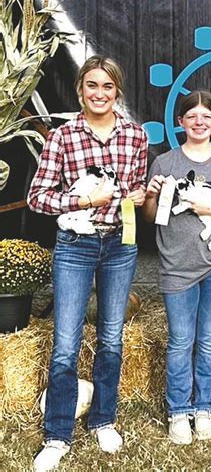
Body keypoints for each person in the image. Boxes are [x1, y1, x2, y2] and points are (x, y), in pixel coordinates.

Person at [27, 56, 148, 472]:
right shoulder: (62, 137)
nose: (100, 93)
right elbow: (37, 197)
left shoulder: (135, 136)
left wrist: (139, 197)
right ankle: (57, 433)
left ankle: (103, 419)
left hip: (119, 245)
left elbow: (136, 191)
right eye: (92, 85)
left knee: (112, 337)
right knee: (66, 342)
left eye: (108, 87)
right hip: (75, 244)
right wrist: (81, 200)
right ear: (81, 90)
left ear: (118, 92)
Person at [143, 90, 211, 445]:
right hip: (176, 264)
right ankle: (178, 410)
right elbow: (150, 217)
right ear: (181, 122)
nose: (200, 122)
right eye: (192, 116)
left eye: (207, 116)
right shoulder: (164, 163)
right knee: (179, 340)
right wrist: (151, 195)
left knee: (207, 340)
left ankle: (203, 407)